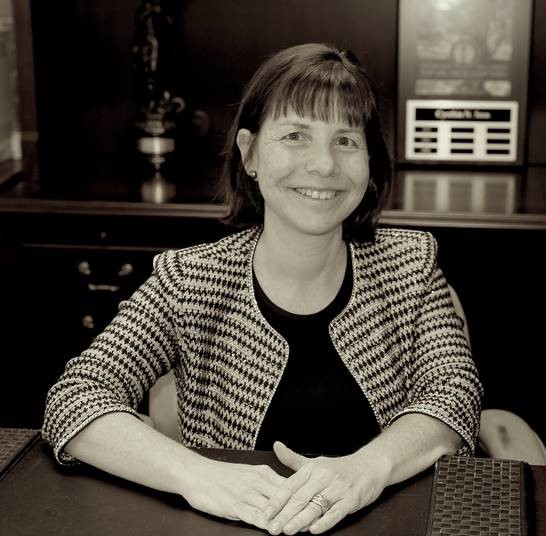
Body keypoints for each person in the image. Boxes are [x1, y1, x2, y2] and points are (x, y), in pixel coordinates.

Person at [42, 43, 482, 535]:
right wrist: (197, 475)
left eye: (346, 141)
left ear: (370, 162)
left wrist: (365, 470)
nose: (323, 165)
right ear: (249, 152)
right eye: (296, 135)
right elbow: (76, 398)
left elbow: (454, 394)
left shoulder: (410, 264)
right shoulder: (190, 279)